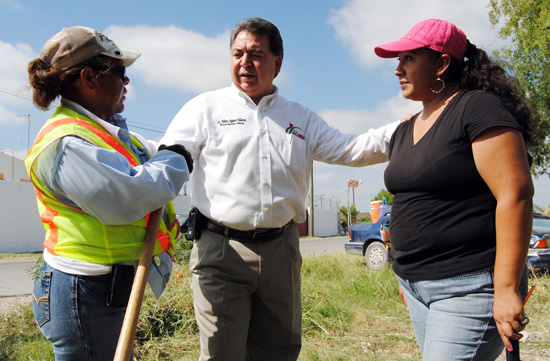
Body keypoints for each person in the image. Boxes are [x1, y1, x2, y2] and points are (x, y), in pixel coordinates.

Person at [160, 17, 400, 361]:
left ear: (278, 63)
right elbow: (170, 155)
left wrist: (407, 131)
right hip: (221, 251)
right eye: (238, 53)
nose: (245, 62)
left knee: (280, 352)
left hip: (281, 252)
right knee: (220, 353)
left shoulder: (299, 118)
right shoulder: (204, 109)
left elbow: (350, 148)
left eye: (256, 54)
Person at [25, 26, 193, 360]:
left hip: (106, 290)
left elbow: (156, 154)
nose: (127, 82)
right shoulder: (66, 144)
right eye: (120, 72)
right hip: (83, 293)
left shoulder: (112, 135)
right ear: (89, 77)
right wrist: (179, 158)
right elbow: (127, 198)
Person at [374, 18, 535, 360]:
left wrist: (506, 290)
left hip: (470, 286)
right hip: (415, 287)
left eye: (408, 58)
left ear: (442, 63)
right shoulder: (405, 129)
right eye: (397, 60)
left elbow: (515, 194)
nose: (397, 69)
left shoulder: (477, 108)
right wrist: (407, 275)